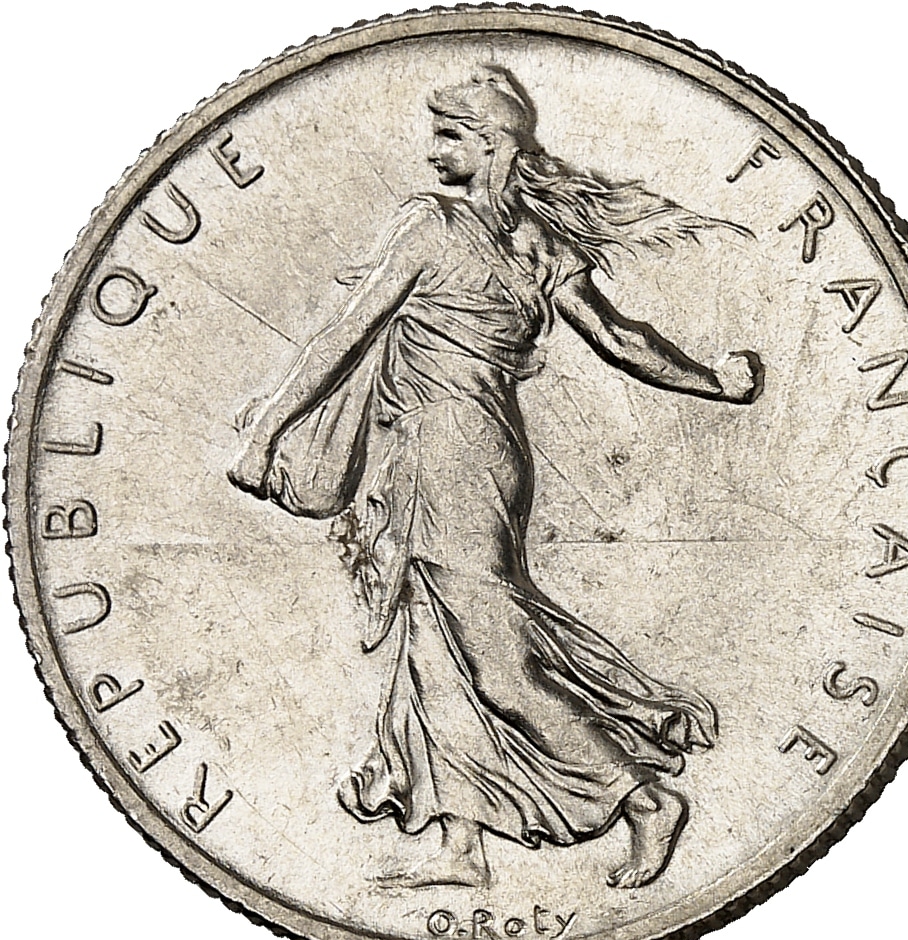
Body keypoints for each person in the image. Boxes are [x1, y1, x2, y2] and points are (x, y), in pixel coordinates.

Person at [228, 66, 762, 889]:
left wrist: (267, 429)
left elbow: (345, 332)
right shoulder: (540, 246)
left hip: (448, 453)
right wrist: (713, 382)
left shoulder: (432, 225)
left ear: (492, 143)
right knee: (434, 644)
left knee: (499, 662)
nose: (432, 149)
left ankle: (643, 799)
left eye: (450, 133)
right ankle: (460, 846)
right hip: (473, 450)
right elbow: (623, 340)